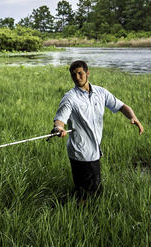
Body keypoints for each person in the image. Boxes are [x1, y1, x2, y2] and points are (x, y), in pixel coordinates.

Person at [53, 60, 144, 200]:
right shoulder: (70, 98)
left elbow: (121, 106)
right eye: (73, 75)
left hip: (94, 151)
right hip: (81, 152)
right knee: (88, 193)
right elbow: (60, 120)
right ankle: (77, 213)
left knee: (93, 189)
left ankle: (80, 210)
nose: (77, 78)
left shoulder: (100, 92)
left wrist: (133, 117)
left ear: (87, 73)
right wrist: (59, 128)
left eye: (80, 73)